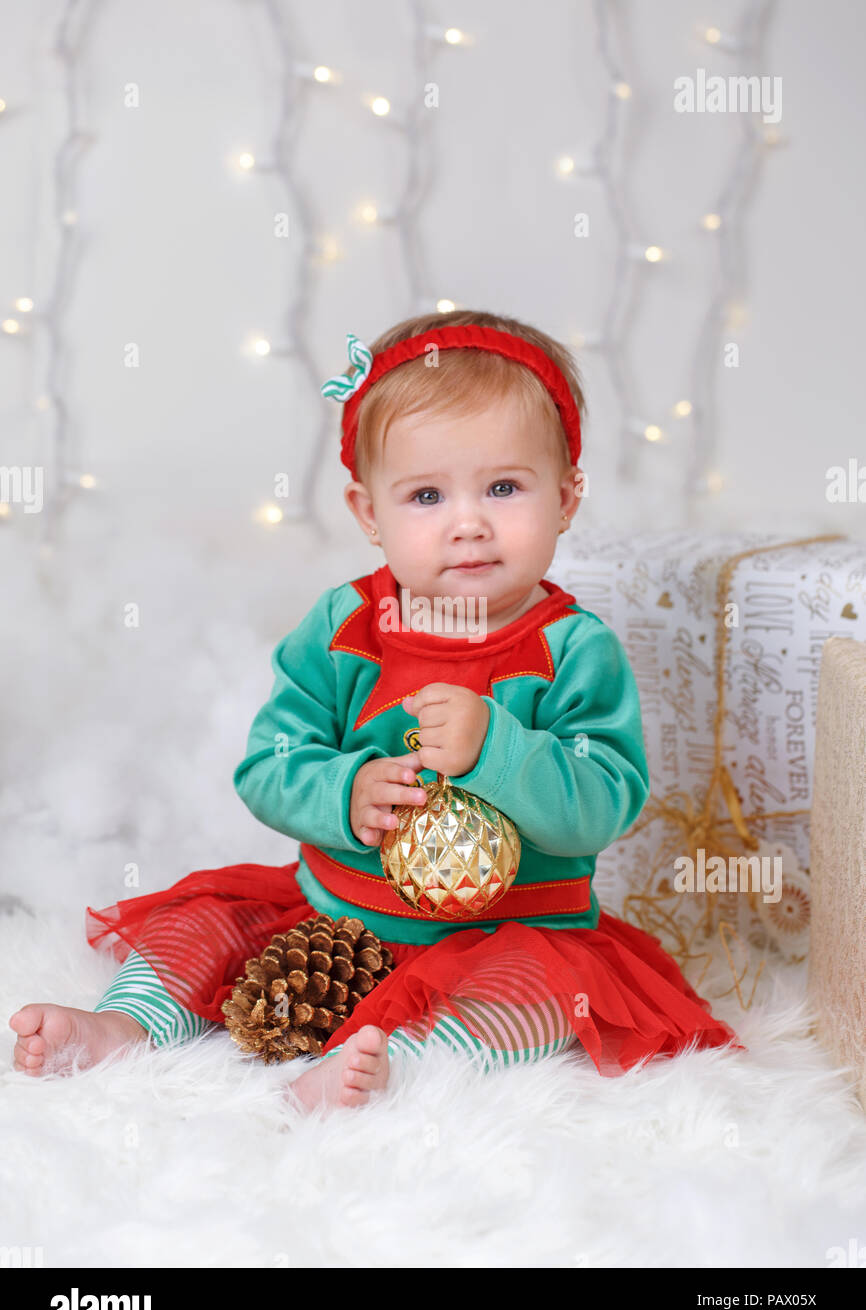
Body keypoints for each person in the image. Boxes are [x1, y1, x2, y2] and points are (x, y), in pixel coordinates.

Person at [9, 309, 745, 1109]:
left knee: (547, 993)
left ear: (566, 498)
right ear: (369, 514)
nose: (468, 523)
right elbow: (268, 766)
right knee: (206, 925)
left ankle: (407, 1062)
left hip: (506, 934)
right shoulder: (345, 629)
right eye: (426, 494)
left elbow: (604, 804)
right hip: (334, 924)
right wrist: (345, 793)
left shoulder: (575, 648)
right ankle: (125, 1027)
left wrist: (497, 748)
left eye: (504, 487)